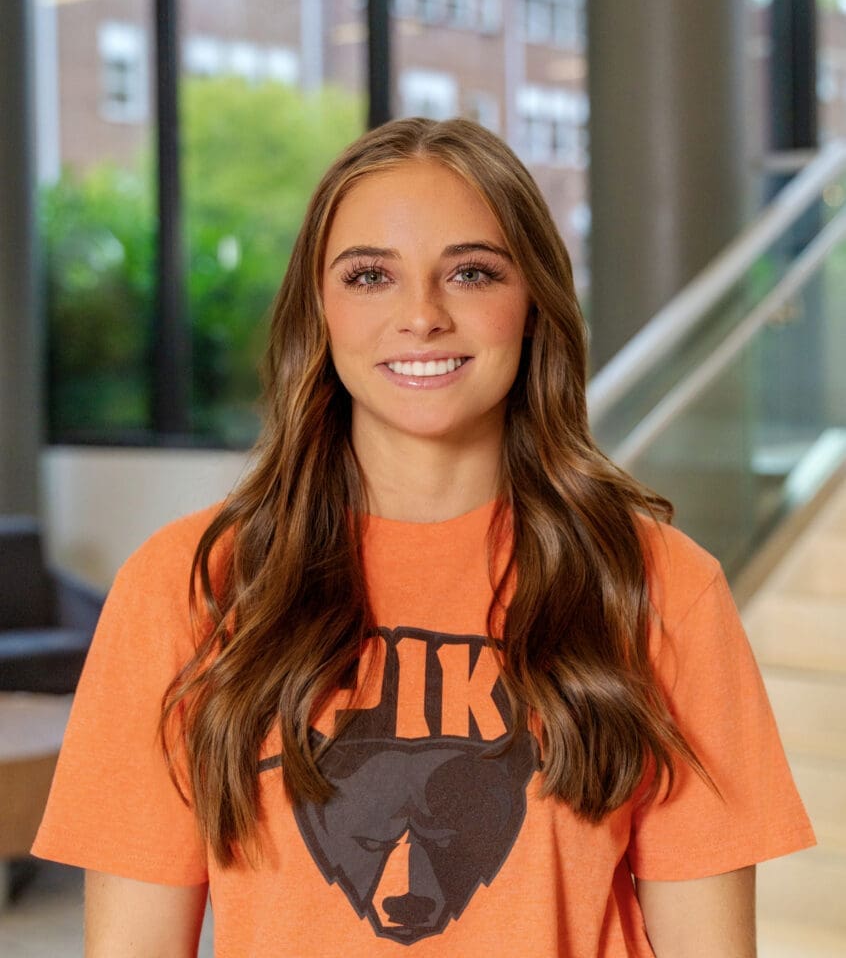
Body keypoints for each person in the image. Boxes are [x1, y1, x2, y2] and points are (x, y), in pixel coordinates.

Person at [34, 117, 814, 957]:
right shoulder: (190, 587)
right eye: (370, 275)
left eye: (472, 272)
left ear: (533, 302)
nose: (422, 316)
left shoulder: (657, 585)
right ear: (320, 310)